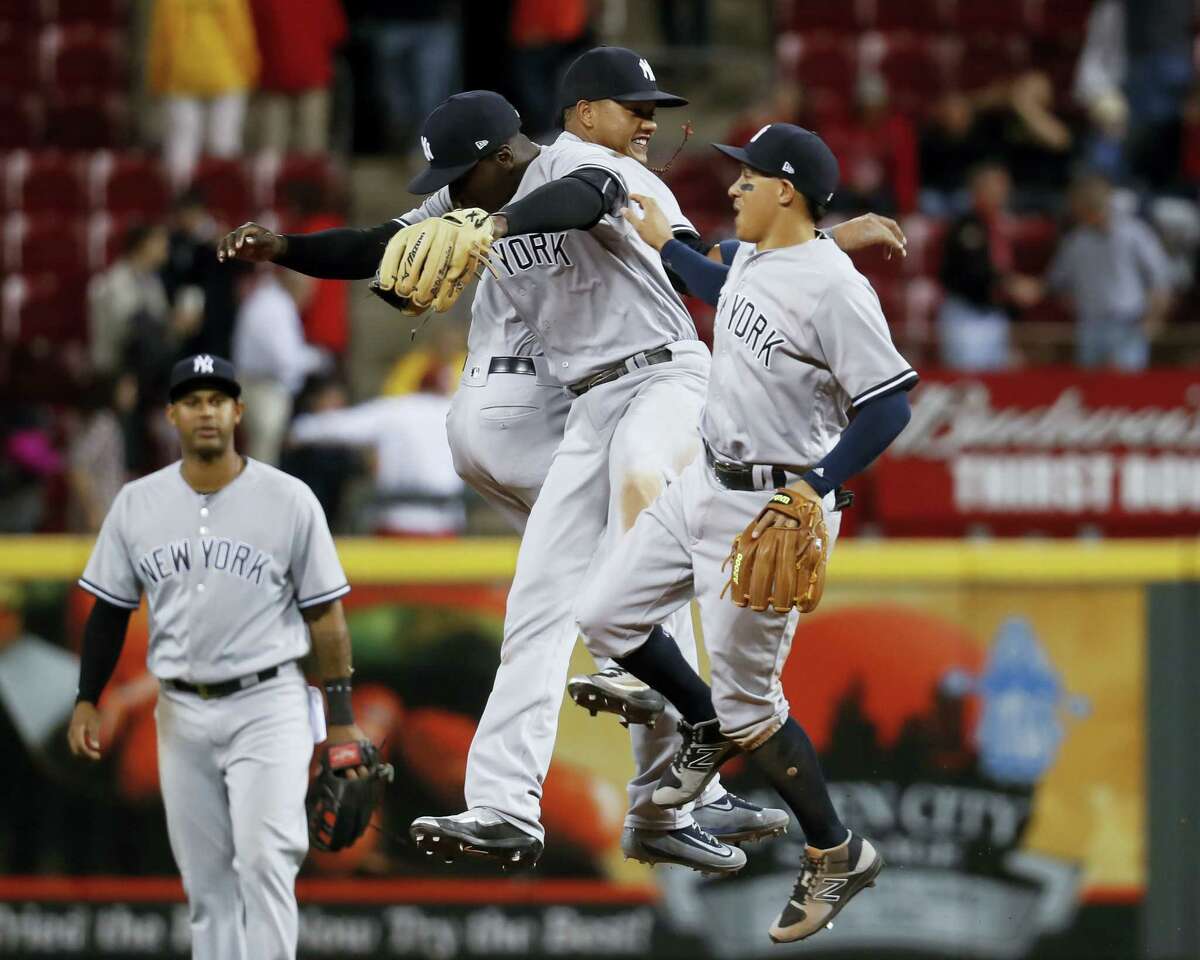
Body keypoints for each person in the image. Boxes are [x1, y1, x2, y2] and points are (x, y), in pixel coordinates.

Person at [217, 65, 904, 872]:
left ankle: (645, 694)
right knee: (538, 606)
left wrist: (495, 226)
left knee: (646, 478)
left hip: (669, 376)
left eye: (459, 174)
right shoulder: (466, 200)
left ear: (504, 152)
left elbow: (583, 202)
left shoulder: (587, 163)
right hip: (588, 403)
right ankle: (506, 807)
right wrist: (283, 250)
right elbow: (377, 247)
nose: (449, 192)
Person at [573, 123, 916, 943]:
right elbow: (714, 275)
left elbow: (890, 402)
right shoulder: (764, 254)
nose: (732, 188)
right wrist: (662, 243)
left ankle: (836, 851)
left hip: (775, 506)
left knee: (753, 708)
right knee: (606, 618)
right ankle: (700, 720)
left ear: (785, 190)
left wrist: (818, 485)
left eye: (748, 177)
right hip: (706, 481)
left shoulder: (838, 290)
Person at [66, 354, 368, 960]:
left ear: (238, 411)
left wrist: (340, 718)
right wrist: (86, 698)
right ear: (172, 414)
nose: (206, 411)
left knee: (265, 860)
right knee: (207, 886)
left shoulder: (289, 499)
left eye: (217, 399)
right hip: (180, 711)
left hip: (270, 702)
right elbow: (108, 611)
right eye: (193, 400)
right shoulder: (136, 503)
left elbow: (326, 618)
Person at [1046, 171, 1173, 369]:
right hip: (1089, 326)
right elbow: (1057, 282)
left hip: (1128, 325)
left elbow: (1161, 278)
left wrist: (1153, 319)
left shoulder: (1134, 233)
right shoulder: (1076, 241)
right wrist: (1074, 305)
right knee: (1091, 392)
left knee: (1126, 392)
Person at [937, 161, 1041, 370]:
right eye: (996, 187)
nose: (1002, 193)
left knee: (999, 379)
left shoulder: (1003, 225)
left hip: (995, 314)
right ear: (978, 190)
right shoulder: (965, 226)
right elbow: (971, 271)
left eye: (1004, 187)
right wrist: (1011, 284)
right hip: (966, 314)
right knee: (968, 379)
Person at [147, 0, 260, 188]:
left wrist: (158, 79)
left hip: (181, 74)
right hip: (226, 73)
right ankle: (223, 197)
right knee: (224, 139)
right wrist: (251, 72)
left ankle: (181, 197)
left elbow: (162, 38)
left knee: (182, 138)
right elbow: (241, 35)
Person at [233, 267, 328, 464]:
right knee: (263, 456)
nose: (310, 297)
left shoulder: (269, 300)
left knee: (262, 455)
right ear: (297, 285)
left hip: (256, 384)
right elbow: (286, 360)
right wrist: (318, 359)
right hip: (263, 388)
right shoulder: (276, 307)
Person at [249, 0, 347, 155]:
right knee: (311, 140)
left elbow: (250, 32)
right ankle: (308, 176)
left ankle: (270, 177)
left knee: (271, 145)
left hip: (273, 74)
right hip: (313, 73)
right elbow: (336, 33)